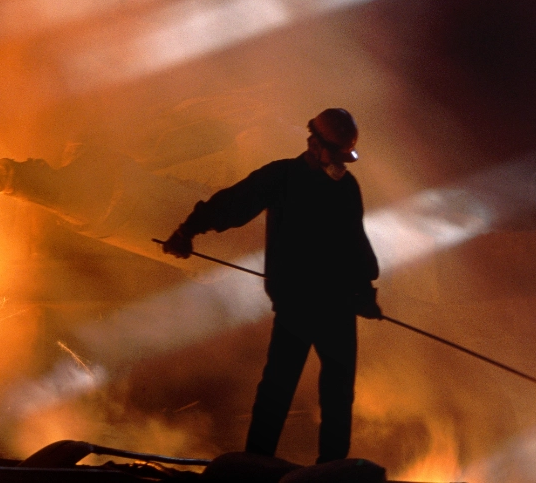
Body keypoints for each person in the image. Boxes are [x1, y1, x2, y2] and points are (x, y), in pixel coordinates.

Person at [162, 108, 381, 463]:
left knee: (337, 396)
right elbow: (233, 205)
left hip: (336, 306)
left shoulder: (345, 188)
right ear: (315, 143)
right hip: (298, 306)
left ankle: (332, 471)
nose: (342, 164)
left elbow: (354, 242)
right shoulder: (282, 178)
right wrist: (189, 229)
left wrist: (365, 290)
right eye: (337, 155)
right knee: (278, 391)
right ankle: (256, 466)